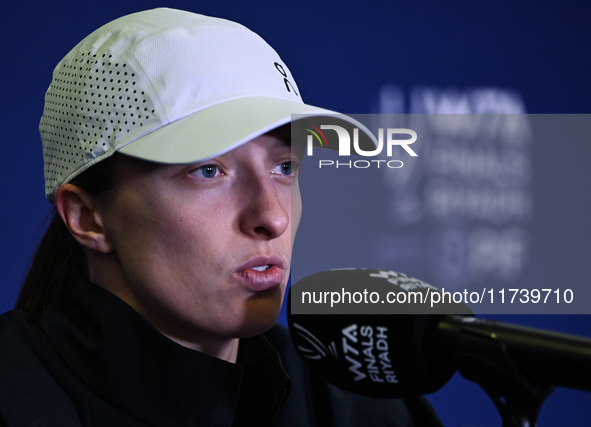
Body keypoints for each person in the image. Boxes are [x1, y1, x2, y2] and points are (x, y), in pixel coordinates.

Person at [0, 8, 443, 426]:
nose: (273, 217)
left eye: (284, 167)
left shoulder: (359, 409)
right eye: (208, 171)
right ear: (86, 218)